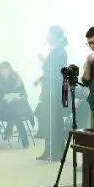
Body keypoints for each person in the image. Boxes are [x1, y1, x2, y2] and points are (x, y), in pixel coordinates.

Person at [35, 26, 69, 161]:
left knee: (55, 123)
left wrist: (43, 60)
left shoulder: (61, 51)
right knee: (48, 122)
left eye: (48, 34)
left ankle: (56, 153)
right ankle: (48, 151)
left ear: (54, 36)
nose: (47, 37)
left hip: (55, 93)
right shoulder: (54, 50)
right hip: (49, 92)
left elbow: (58, 72)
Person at [0, 61, 35, 148]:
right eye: (2, 69)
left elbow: (24, 94)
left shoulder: (16, 79)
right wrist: (5, 97)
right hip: (3, 109)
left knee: (14, 110)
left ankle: (9, 130)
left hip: (17, 108)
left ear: (10, 69)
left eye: (6, 68)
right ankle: (24, 141)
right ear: (0, 70)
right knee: (16, 115)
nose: (4, 71)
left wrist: (17, 96)